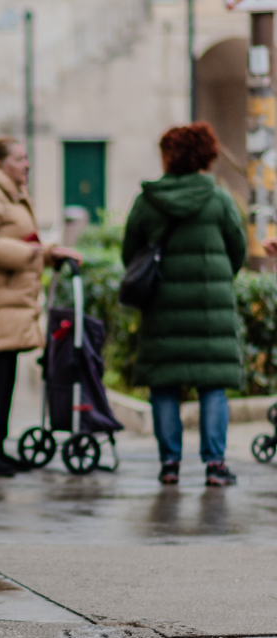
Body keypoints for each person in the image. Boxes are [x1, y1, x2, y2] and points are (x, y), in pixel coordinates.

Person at [122, 122, 246, 487]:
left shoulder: (147, 201)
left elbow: (130, 253)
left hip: (161, 307)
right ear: (204, 155)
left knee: (164, 386)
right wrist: (215, 281)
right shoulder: (219, 199)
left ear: (169, 157)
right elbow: (236, 249)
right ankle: (215, 465)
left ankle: (170, 465)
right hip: (212, 310)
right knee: (213, 386)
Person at [0, 137, 82, 477]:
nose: (27, 164)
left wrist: (50, 254)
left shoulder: (6, 194)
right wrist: (28, 254)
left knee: (2, 375)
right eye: (19, 159)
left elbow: (23, 242)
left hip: (4, 303)